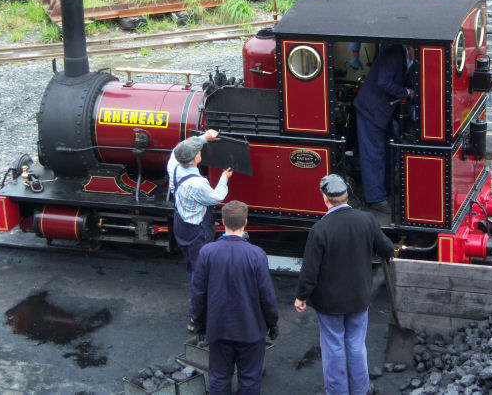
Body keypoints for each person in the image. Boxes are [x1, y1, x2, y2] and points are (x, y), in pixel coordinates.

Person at [294, 175, 394, 395]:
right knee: (356, 345)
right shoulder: (367, 220)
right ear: (346, 196)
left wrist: (301, 296)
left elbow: (309, 270)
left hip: (329, 302)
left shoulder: (320, 229)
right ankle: (360, 389)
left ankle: (337, 391)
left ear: (325, 199)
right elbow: (387, 249)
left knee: (333, 347)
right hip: (359, 297)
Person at [190, 200, 279, 395]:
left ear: (222, 221)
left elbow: (198, 294)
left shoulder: (207, 252)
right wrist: (273, 323)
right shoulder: (257, 254)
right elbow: (267, 295)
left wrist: (197, 322)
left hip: (219, 328)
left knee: (219, 378)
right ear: (245, 222)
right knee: (249, 379)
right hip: (251, 330)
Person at [353, 43, 414, 214]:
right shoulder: (395, 53)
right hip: (371, 110)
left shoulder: (403, 56)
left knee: (387, 150)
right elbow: (384, 81)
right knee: (373, 153)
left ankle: (385, 189)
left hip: (383, 111)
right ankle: (375, 198)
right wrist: (406, 92)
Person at [167, 129, 233, 285]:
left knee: (190, 260)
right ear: (197, 157)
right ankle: (200, 302)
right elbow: (216, 197)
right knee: (200, 269)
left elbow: (178, 149)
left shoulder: (174, 164)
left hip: (181, 223)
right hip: (197, 231)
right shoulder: (198, 184)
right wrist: (224, 179)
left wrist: (204, 138)